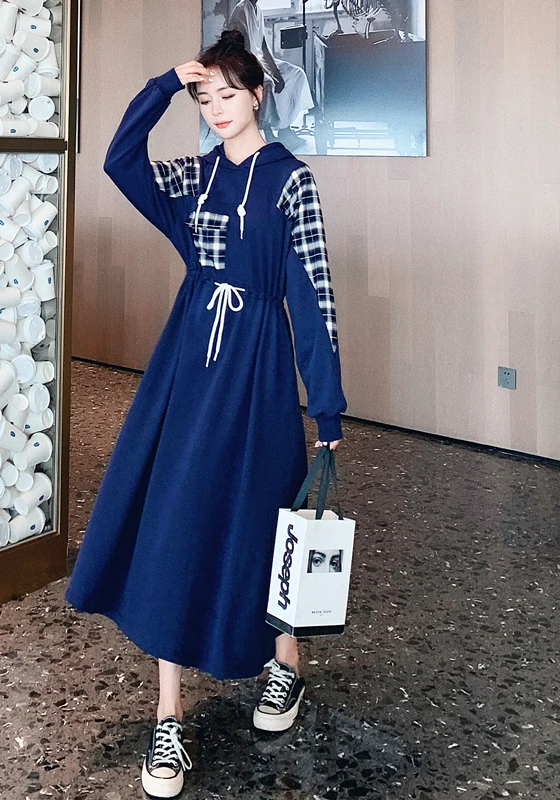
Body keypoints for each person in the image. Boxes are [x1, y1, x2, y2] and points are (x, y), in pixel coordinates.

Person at [66, 29, 346, 799]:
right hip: (187, 367)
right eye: (205, 97)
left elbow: (313, 296)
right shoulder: (194, 176)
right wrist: (162, 85)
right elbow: (120, 160)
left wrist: (326, 405)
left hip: (256, 370)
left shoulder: (290, 181)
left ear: (257, 93)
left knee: (263, 519)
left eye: (229, 93)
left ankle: (284, 664)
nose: (217, 108)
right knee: (174, 520)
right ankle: (169, 716)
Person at [228, 0, 314, 148]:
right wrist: (271, 75)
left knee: (296, 74)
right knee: (268, 83)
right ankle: (268, 132)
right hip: (244, 62)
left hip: (259, 59)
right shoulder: (241, 11)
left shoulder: (258, 10)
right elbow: (243, 51)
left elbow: (263, 47)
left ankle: (285, 129)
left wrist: (276, 72)